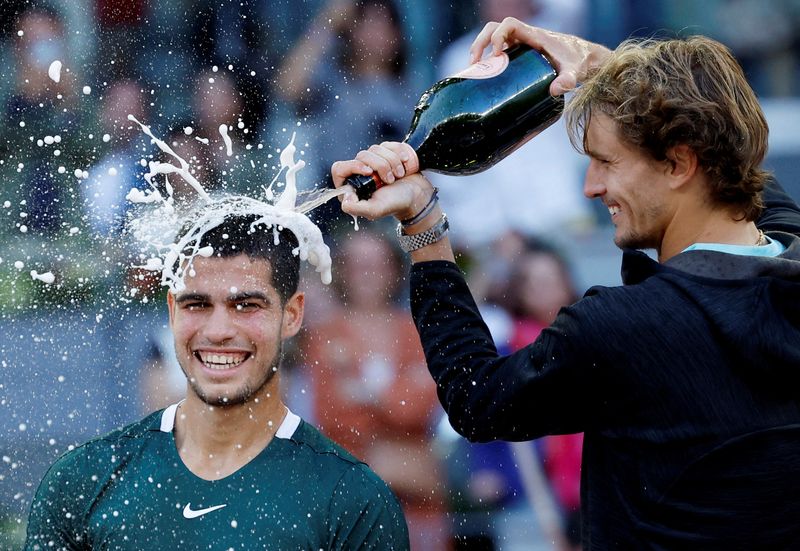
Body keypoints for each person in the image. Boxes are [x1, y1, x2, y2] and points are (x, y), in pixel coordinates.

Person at [331, 17, 800, 548]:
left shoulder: (625, 329)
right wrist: (607, 69)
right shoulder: (789, 256)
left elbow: (476, 398)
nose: (590, 187)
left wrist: (422, 223)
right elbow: (740, 162)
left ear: (678, 164)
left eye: (605, 161)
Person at [24, 213, 410, 549]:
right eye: (197, 304)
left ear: (292, 315)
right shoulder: (84, 480)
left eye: (246, 305)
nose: (219, 330)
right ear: (173, 311)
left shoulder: (351, 499)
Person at [301, 227, 449, 550]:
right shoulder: (325, 334)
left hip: (419, 499)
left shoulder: (416, 331)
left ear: (394, 269)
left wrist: (363, 392)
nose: (367, 274)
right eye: (357, 265)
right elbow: (334, 416)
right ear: (341, 271)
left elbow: (419, 408)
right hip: (354, 495)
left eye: (377, 264)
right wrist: (398, 395)